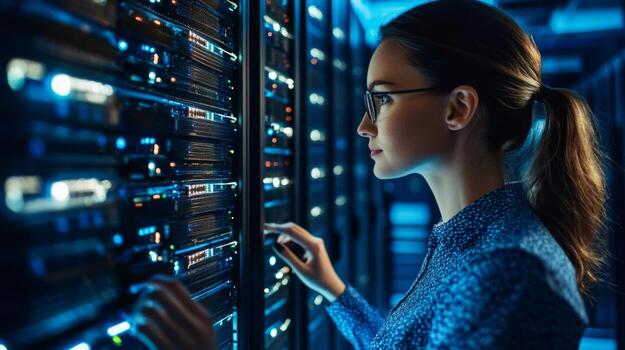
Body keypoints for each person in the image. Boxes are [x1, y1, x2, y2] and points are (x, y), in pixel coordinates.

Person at [133, 0, 607, 348]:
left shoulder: (506, 269)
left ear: (459, 107)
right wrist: (335, 290)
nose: (364, 126)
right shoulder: (473, 242)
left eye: (382, 98)